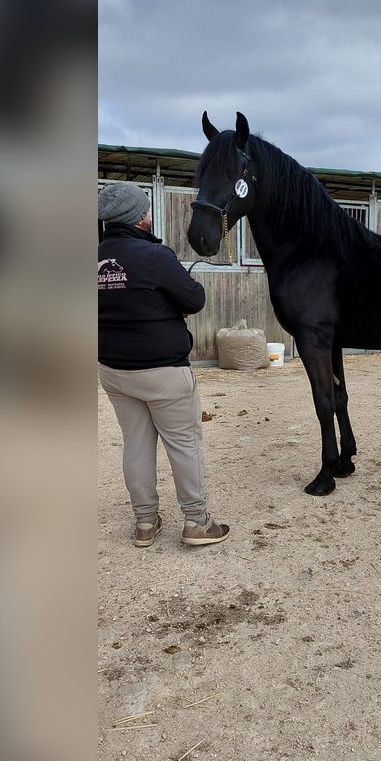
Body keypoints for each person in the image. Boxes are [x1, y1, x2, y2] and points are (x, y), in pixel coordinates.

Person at [97, 181, 230, 547]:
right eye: (147, 208)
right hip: (162, 372)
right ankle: (197, 521)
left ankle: (144, 523)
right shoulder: (155, 257)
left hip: (113, 371)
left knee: (136, 443)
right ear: (141, 217)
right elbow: (195, 299)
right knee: (184, 444)